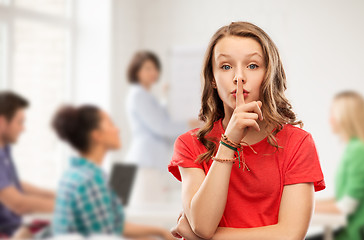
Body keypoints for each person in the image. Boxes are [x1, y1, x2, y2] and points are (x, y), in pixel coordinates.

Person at [168, 21, 326, 240]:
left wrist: (203, 238)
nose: (239, 77)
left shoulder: (297, 143)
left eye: (252, 66)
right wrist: (229, 142)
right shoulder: (189, 143)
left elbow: (290, 235)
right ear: (212, 79)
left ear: (268, 74)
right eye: (226, 66)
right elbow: (203, 225)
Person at [51, 104, 175, 239]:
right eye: (110, 124)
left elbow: (115, 226)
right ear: (97, 135)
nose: (117, 129)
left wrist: (159, 232)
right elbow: (107, 235)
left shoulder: (75, 174)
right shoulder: (91, 180)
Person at [125, 51, 201, 205]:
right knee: (147, 214)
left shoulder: (144, 95)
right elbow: (161, 126)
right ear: (136, 70)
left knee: (145, 212)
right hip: (144, 163)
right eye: (147, 68)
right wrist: (188, 124)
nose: (153, 72)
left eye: (155, 68)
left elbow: (161, 118)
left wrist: (166, 97)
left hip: (145, 162)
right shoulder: (138, 95)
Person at [310, 91, 364, 240]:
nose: (330, 119)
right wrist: (304, 204)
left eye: (333, 113)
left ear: (346, 118)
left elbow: (345, 206)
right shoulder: (354, 148)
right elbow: (341, 199)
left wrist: (302, 209)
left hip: (360, 233)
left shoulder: (358, 150)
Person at [0, 91, 55, 238]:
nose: (23, 129)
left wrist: (55, 194)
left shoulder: (4, 150)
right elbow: (19, 204)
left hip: (16, 229)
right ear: (2, 122)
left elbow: (13, 185)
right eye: (20, 122)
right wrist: (67, 206)